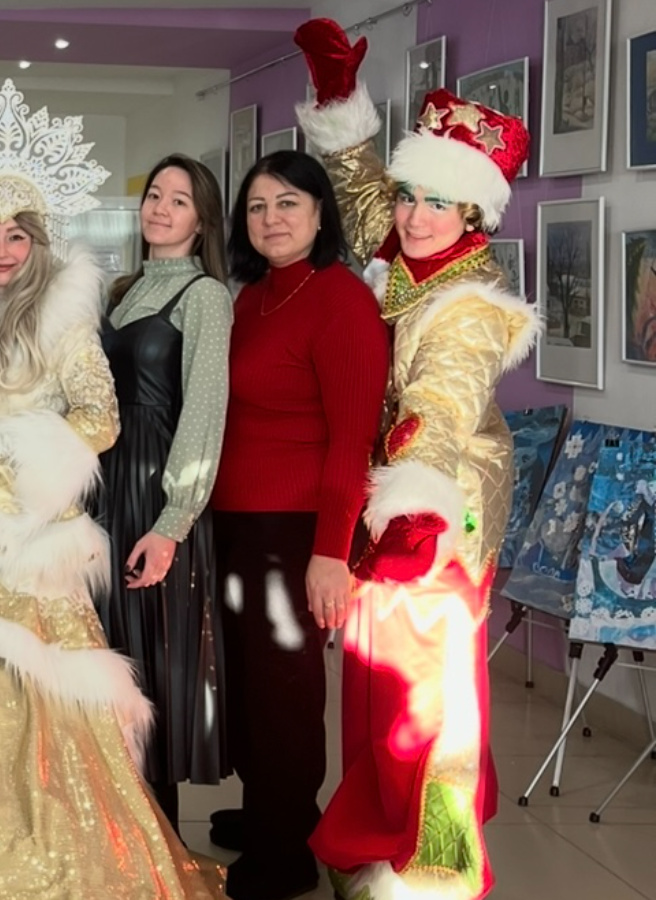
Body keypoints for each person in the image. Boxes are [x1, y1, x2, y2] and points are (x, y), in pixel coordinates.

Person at [0, 80, 223, 900]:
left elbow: (101, 418)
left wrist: (9, 446)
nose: (2, 250)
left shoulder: (66, 318)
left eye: (18, 235)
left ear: (39, 242)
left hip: (29, 527)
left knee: (26, 692)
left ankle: (41, 857)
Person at [295, 20, 539, 899]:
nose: (414, 215)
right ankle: (374, 843)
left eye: (438, 203)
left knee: (426, 701)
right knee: (374, 691)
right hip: (386, 510)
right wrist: (338, 99)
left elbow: (439, 408)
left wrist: (412, 513)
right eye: (411, 197)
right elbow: (364, 196)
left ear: (473, 214)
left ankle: (432, 866)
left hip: (435, 524)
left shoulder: (469, 305)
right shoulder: (407, 252)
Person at [206, 149, 389, 900]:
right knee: (249, 685)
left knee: (284, 692)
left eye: (288, 203)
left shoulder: (341, 301)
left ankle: (284, 854)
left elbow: (351, 440)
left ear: (319, 215)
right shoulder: (252, 297)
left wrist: (331, 552)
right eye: (257, 206)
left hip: (295, 529)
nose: (271, 218)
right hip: (237, 525)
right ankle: (272, 814)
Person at [93, 153, 232, 831]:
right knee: (110, 657)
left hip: (156, 493)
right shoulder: (122, 291)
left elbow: (204, 413)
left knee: (155, 662)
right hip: (104, 486)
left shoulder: (205, 296)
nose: (161, 208)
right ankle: (116, 833)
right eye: (154, 194)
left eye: (179, 200)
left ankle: (162, 845)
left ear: (201, 220)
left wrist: (173, 522)